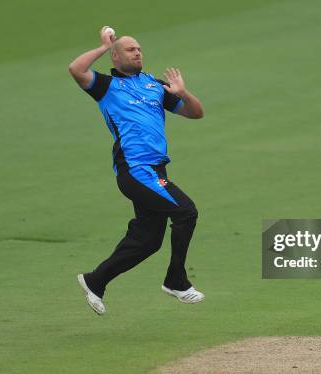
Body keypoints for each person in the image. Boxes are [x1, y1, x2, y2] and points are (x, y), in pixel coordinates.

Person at [68, 26, 205, 315]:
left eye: (140, 48)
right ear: (115, 56)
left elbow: (195, 112)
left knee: (148, 240)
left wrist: (183, 93)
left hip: (155, 170)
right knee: (186, 211)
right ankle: (176, 281)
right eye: (131, 49)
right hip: (135, 170)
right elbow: (76, 68)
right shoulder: (106, 87)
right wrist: (102, 47)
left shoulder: (154, 86)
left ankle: (95, 281)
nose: (138, 52)